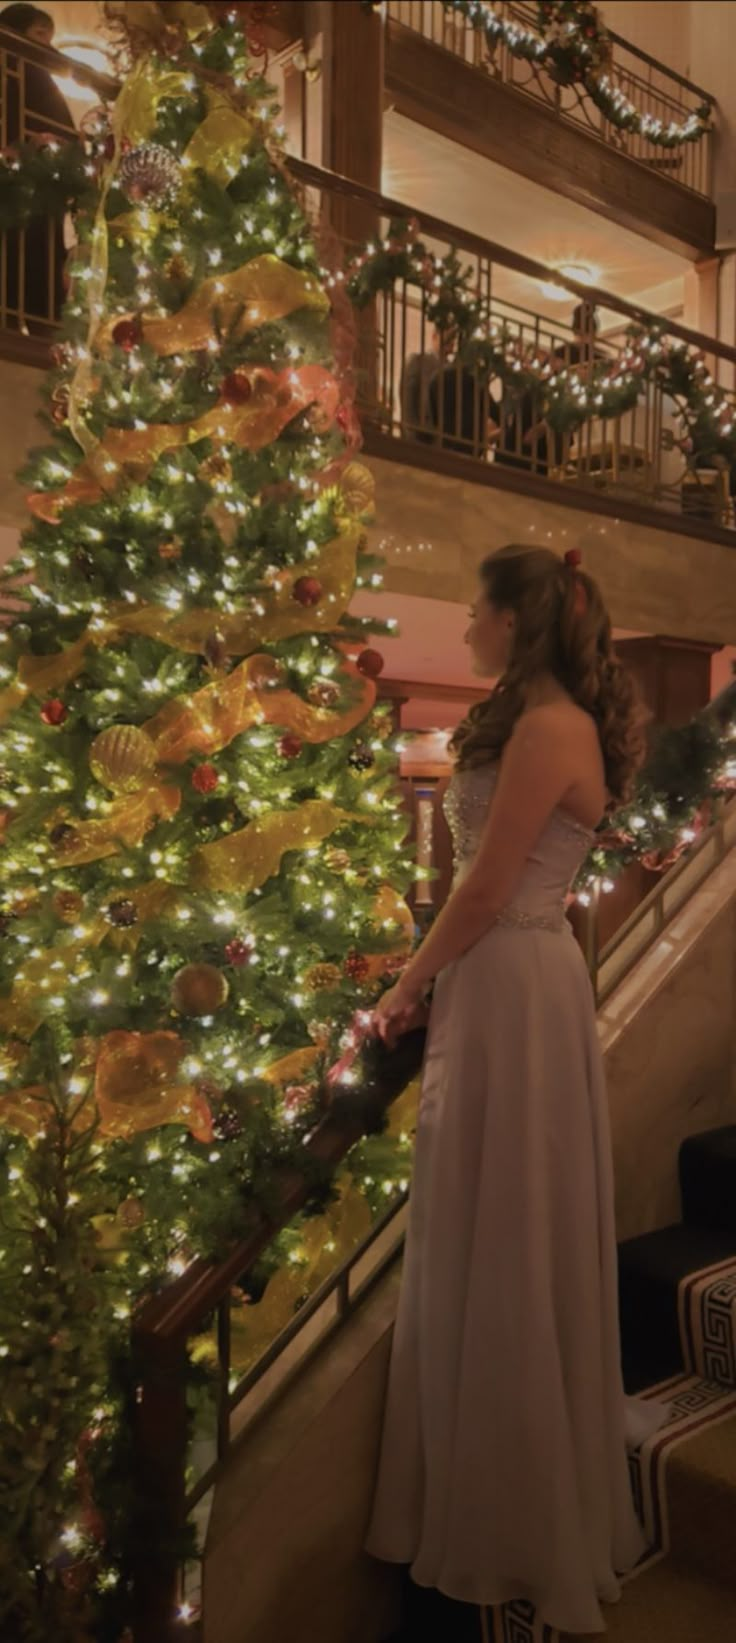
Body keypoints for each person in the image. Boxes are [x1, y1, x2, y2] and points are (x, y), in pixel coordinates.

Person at [365, 545, 668, 1640]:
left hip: (517, 978)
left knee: (509, 1228)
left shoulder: (551, 727)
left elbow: (489, 884)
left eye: (477, 606)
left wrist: (408, 983)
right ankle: (472, 1479)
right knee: (480, 1218)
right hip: (497, 979)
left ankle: (512, 1506)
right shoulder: (527, 717)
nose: (468, 619)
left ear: (513, 619)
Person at [0, 3, 74, 331]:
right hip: (14, 194)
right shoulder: (12, 69)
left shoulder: (39, 79)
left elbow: (65, 133)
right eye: (39, 33)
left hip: (43, 200)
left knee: (39, 266)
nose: (47, 44)